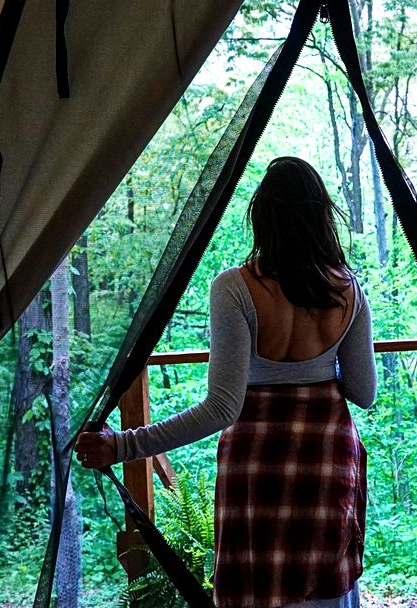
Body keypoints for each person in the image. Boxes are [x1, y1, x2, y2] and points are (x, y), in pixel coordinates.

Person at [75, 156, 377, 608]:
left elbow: (222, 407)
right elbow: (364, 393)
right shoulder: (348, 291)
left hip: (255, 467)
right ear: (321, 217)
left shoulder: (234, 288)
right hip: (325, 463)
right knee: (322, 593)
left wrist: (122, 445)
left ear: (262, 218)